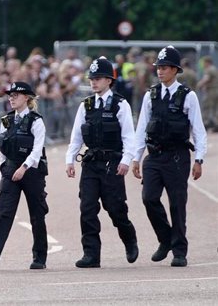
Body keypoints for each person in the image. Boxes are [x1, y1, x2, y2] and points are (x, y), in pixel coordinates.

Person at [132, 45, 206, 267]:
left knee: (177, 204)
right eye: (158, 67)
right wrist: (136, 157)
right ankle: (166, 239)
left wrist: (199, 160)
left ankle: (179, 251)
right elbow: (141, 128)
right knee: (149, 198)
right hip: (154, 157)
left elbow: (199, 131)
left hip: (177, 157)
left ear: (175, 70)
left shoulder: (188, 96)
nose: (160, 71)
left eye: (164, 67)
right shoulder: (150, 95)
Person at [65, 57, 138, 268]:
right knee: (87, 208)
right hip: (90, 163)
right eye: (91, 79)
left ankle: (129, 238)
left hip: (112, 163)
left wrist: (126, 160)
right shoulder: (86, 105)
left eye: (98, 79)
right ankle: (91, 254)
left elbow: (128, 136)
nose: (93, 82)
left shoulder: (120, 104)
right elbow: (77, 135)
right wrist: (70, 159)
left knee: (115, 208)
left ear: (109, 80)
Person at [0, 82, 49, 270]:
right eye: (10, 95)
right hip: (10, 171)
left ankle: (39, 257)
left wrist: (24, 167)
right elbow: (3, 150)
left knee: (37, 214)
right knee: (4, 212)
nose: (12, 98)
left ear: (27, 98)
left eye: (16, 95)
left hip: (31, 172)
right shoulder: (6, 121)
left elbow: (37, 150)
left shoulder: (36, 121)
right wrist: (3, 171)